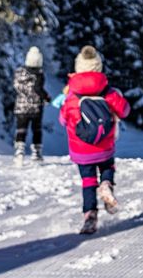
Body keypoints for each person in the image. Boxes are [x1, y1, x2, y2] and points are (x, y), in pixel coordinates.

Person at [59, 45, 130, 235]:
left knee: (88, 180)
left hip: (81, 149)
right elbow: (124, 110)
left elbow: (63, 118)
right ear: (98, 66)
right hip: (104, 145)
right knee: (107, 167)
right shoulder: (108, 91)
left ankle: (90, 215)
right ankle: (106, 184)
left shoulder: (72, 94)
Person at [13, 47, 50, 166]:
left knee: (21, 130)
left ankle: (19, 152)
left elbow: (16, 87)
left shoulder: (19, 72)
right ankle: (36, 153)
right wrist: (46, 97)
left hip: (21, 106)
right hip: (35, 107)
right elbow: (38, 88)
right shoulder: (38, 74)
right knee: (36, 130)